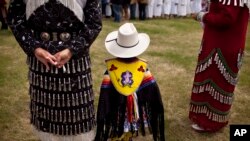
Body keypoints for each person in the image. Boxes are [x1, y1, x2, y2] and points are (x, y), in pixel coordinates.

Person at [7, 0, 102, 141]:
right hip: (40, 63)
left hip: (75, 63)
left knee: (78, 123)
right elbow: (15, 18)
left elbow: (94, 23)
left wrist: (71, 50)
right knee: (46, 125)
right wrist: (35, 48)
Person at [95, 23, 165, 141]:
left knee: (120, 132)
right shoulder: (142, 67)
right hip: (133, 110)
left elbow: (105, 95)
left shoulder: (111, 68)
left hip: (117, 108)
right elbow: (152, 91)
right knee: (126, 132)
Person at [189, 0, 249, 132]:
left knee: (215, 80)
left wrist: (202, 16)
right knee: (214, 80)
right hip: (221, 42)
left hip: (222, 43)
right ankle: (208, 118)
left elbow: (227, 19)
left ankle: (209, 122)